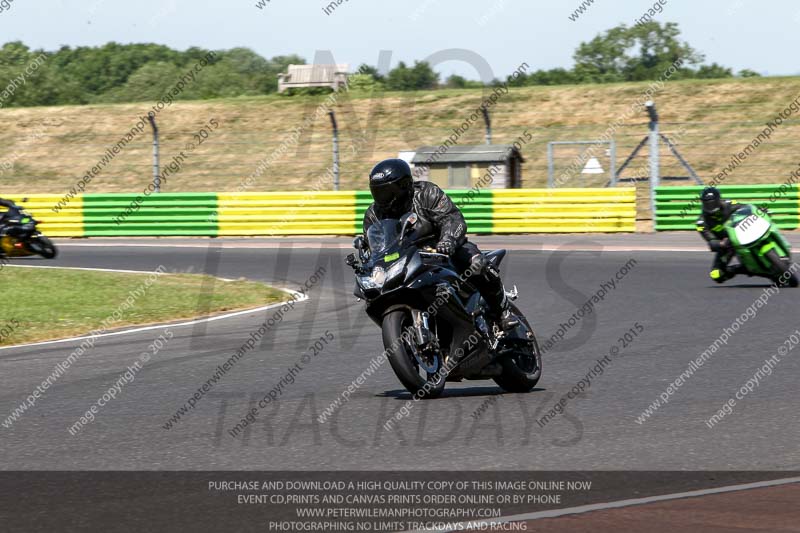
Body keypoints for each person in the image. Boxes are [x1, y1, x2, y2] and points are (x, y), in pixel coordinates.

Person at [362, 158, 517, 330]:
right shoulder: (373, 214)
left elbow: (452, 218)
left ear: (404, 185)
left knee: (477, 264)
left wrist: (448, 240)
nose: (381, 198)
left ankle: (503, 312)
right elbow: (373, 247)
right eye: (377, 192)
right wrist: (366, 265)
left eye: (386, 192)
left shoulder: (426, 193)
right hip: (406, 259)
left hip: (442, 248)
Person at [696, 186, 747, 283]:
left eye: (712, 202)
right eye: (707, 202)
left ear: (718, 200)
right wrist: (720, 244)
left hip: (744, 232)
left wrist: (759, 210)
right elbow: (710, 240)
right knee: (716, 274)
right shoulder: (701, 223)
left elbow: (746, 207)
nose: (710, 205)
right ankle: (738, 269)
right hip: (727, 244)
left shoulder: (729, 204)